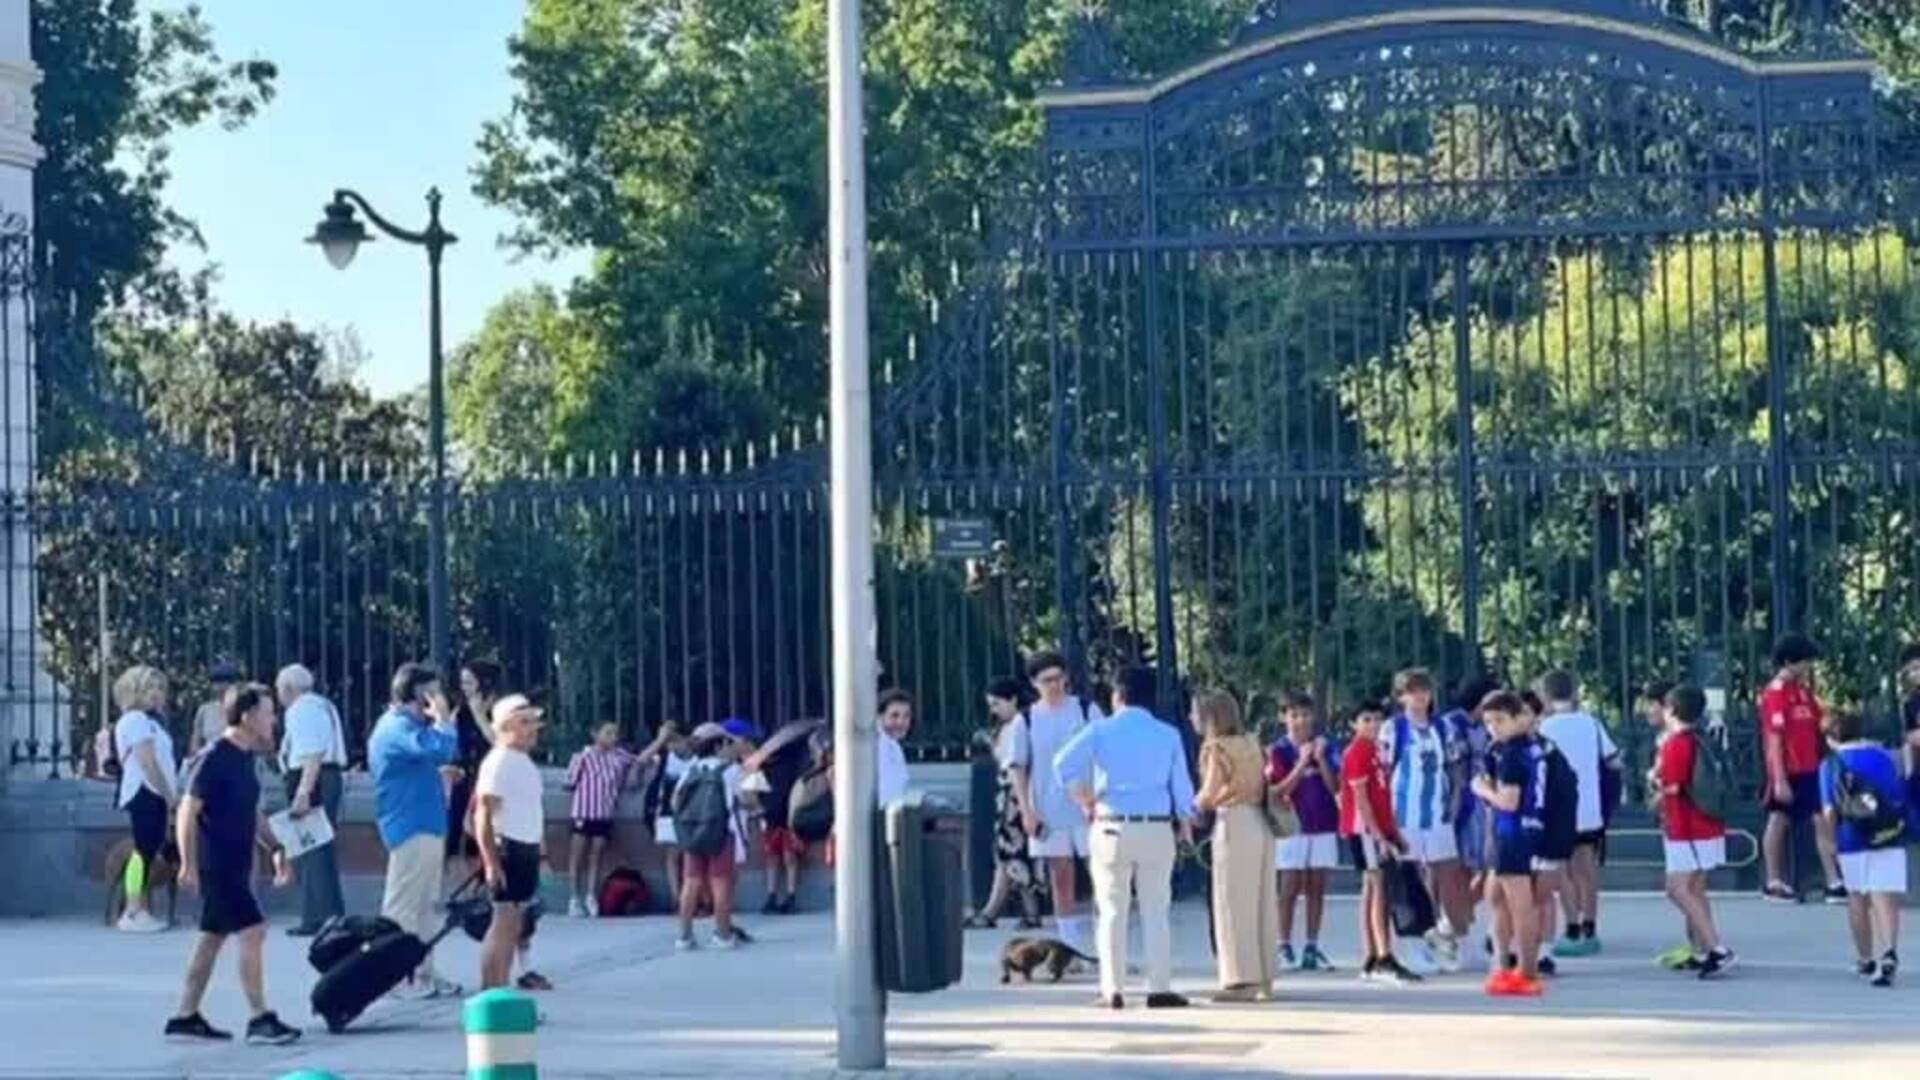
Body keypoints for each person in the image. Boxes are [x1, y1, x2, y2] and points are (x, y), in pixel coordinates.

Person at [163, 682, 302, 1046]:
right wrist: (188, 864)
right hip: (218, 863)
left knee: (211, 938)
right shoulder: (214, 756)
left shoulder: (244, 759)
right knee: (252, 930)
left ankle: (184, 1016)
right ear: (247, 715)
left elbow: (249, 811)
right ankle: (260, 1018)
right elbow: (187, 809)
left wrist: (274, 846)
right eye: (269, 713)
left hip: (237, 861)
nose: (274, 720)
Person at [1054, 666, 1196, 1009]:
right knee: (1156, 908)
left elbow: (1061, 764)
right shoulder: (1168, 734)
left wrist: (1083, 796)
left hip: (1111, 822)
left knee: (1112, 909)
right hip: (1157, 826)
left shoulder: (1100, 730)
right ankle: (1159, 986)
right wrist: (1187, 824)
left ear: (1117, 696)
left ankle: (1112, 988)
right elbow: (1182, 788)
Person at [367, 662, 462, 999]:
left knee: (425, 908)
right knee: (403, 907)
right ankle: (395, 976)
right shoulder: (396, 728)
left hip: (427, 823)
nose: (440, 700)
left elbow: (443, 751)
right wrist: (444, 719)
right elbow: (440, 747)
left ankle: (423, 972)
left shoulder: (410, 728)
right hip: (411, 826)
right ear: (418, 696)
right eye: (433, 694)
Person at [1010, 651, 1103, 959]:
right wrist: (1026, 810)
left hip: (1089, 805)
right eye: (1046, 681)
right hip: (1049, 807)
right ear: (1035, 684)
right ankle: (1071, 947)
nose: (1054, 686)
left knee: (1101, 874)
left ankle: (1106, 945)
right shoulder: (1026, 720)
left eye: (1058, 678)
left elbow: (1104, 752)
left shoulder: (1086, 710)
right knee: (1061, 878)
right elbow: (1018, 767)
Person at [1378, 668, 1470, 973]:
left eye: (1424, 690)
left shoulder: (1443, 727)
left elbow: (1456, 766)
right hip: (1404, 815)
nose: (1420, 696)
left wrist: (1455, 801)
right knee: (1407, 882)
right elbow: (1384, 772)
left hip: (1438, 814)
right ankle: (1413, 944)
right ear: (1402, 696)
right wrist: (1386, 818)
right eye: (1413, 691)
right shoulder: (1393, 729)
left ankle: (1448, 936)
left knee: (1448, 876)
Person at [1193, 691, 1277, 1002]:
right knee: (1261, 901)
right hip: (1259, 821)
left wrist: (1190, 806)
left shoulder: (1216, 748)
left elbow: (1211, 791)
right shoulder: (1251, 743)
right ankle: (1266, 973)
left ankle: (1241, 979)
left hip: (1234, 821)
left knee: (1233, 903)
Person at [1818, 710, 1905, 986]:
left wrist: (1830, 842)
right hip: (1889, 833)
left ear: (1830, 737)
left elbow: (1830, 811)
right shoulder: (1884, 758)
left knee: (1858, 898)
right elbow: (1897, 795)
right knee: (1885, 896)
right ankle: (1889, 949)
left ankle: (1866, 958)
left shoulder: (1831, 764)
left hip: (1852, 837)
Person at [1655, 685, 1735, 978]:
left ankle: (1716, 947)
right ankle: (1703, 947)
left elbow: (1673, 786)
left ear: (1672, 710)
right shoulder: (1703, 739)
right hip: (1707, 822)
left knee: (1677, 889)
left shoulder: (1676, 743)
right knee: (1696, 889)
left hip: (1686, 826)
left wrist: (1655, 782)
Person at [1536, 670, 1617, 959]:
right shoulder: (1591, 724)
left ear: (1545, 695)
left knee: (1561, 870)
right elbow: (1612, 759)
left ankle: (1571, 925)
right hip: (1590, 807)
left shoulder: (1544, 727)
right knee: (1587, 867)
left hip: (1558, 808)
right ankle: (1590, 924)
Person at [1338, 700, 1417, 985]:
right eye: (1366, 719)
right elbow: (1361, 799)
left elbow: (1383, 797)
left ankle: (1372, 956)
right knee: (1379, 886)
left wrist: (1394, 831)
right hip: (1365, 830)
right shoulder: (1357, 752)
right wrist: (1378, 835)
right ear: (1354, 724)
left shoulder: (1376, 751)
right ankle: (1383, 955)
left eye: (1377, 720)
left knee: (1372, 889)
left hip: (1379, 828)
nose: (1372, 725)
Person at [1760, 633, 1843, 903]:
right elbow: (1774, 738)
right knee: (1779, 819)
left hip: (1810, 766)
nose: (1808, 668)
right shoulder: (1775, 693)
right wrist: (1780, 779)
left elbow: (1820, 725)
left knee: (1821, 818)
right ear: (1789, 661)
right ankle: (1774, 881)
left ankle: (1833, 879)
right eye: (1805, 662)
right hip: (1788, 768)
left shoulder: (1803, 692)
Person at [1473, 691, 1546, 997]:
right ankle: (1502, 963)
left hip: (1512, 831)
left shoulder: (1513, 755)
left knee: (1520, 904)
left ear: (1519, 717)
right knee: (1498, 898)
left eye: (1500, 720)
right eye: (1489, 722)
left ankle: (1527, 971)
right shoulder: (1529, 748)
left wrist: (1482, 790)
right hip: (1521, 829)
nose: (1494, 728)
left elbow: (1508, 801)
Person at [475, 694, 548, 990]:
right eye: (524, 722)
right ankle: (491, 991)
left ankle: (501, 989)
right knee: (503, 923)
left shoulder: (522, 761)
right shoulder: (499, 761)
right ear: (504, 727)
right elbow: (483, 816)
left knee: (514, 923)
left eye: (533, 722)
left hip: (525, 848)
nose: (532, 729)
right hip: (509, 847)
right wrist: (492, 863)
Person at [1269, 691, 1339, 972]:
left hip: (1322, 822)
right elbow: (1279, 790)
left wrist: (1320, 760)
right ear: (1285, 718)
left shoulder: (1326, 747)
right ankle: (1283, 945)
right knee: (1289, 886)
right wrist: (1301, 762)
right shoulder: (1278, 750)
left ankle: (1312, 945)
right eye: (1294, 715)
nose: (1301, 721)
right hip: (1292, 826)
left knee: (1317, 887)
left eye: (1306, 715)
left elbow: (1336, 787)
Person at [276, 664, 348, 937]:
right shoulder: (322, 705)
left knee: (313, 852)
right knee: (317, 851)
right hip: (324, 778)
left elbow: (311, 753)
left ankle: (322, 918)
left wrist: (303, 792)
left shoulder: (301, 709)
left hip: (312, 779)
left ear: (289, 689)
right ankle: (321, 915)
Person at [967, 679, 1043, 929]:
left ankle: (997, 912)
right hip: (1008, 795)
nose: (994, 710)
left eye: (997, 703)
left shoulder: (1021, 725)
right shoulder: (1011, 726)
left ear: (1012, 700)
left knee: (1010, 855)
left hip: (1014, 796)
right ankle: (1008, 911)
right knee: (1009, 855)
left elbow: (1016, 764)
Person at [113, 665, 178, 934]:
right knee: (143, 852)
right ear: (134, 691)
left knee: (147, 852)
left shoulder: (149, 721)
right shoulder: (136, 720)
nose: (156, 693)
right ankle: (132, 910)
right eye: (149, 688)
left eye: (160, 688)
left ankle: (136, 908)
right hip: (146, 791)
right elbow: (148, 762)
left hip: (150, 792)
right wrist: (169, 795)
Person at [674, 722, 748, 950]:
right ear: (718, 745)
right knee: (720, 882)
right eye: (726, 742)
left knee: (691, 881)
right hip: (721, 832)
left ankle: (685, 936)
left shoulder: (690, 771)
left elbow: (675, 801)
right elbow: (747, 800)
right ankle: (723, 934)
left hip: (692, 832)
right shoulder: (731, 771)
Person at [564, 722, 646, 917]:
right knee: (578, 855)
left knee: (597, 854)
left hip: (605, 811)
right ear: (595, 734)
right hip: (583, 811)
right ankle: (574, 897)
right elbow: (569, 782)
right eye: (608, 733)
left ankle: (591, 894)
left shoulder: (619, 756)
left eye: (615, 733)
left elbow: (642, 759)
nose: (613, 737)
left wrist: (636, 770)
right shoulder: (582, 757)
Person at [741, 719, 816, 916]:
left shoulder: (791, 757)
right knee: (772, 858)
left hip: (789, 816)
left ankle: (790, 896)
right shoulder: (762, 766)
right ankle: (772, 895)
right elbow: (751, 791)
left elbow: (804, 728)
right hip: (772, 816)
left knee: (790, 857)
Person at [447, 660, 504, 885]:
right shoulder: (460, 709)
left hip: (488, 775)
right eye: (462, 682)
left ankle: (489, 882)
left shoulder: (496, 708)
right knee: (458, 832)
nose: (465, 687)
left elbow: (498, 741)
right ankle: (465, 884)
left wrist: (479, 714)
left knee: (484, 831)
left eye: (470, 682)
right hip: (464, 773)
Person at [188, 661, 243, 757]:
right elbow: (195, 744)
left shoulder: (246, 709)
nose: (221, 687)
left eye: (227, 682)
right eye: (217, 682)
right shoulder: (204, 710)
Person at [875, 692, 913, 807]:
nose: (901, 722)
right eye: (894, 716)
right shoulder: (874, 745)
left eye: (906, 716)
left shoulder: (894, 745)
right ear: (880, 717)